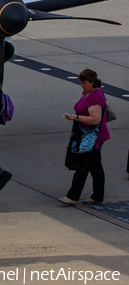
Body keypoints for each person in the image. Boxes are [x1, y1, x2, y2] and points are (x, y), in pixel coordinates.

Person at [59, 68, 110, 205]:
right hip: (89, 136)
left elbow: (95, 119)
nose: (82, 85)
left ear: (92, 82)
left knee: (83, 166)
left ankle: (72, 196)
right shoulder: (88, 93)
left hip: (91, 137)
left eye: (84, 83)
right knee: (95, 166)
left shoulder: (95, 96)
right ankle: (98, 196)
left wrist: (77, 117)